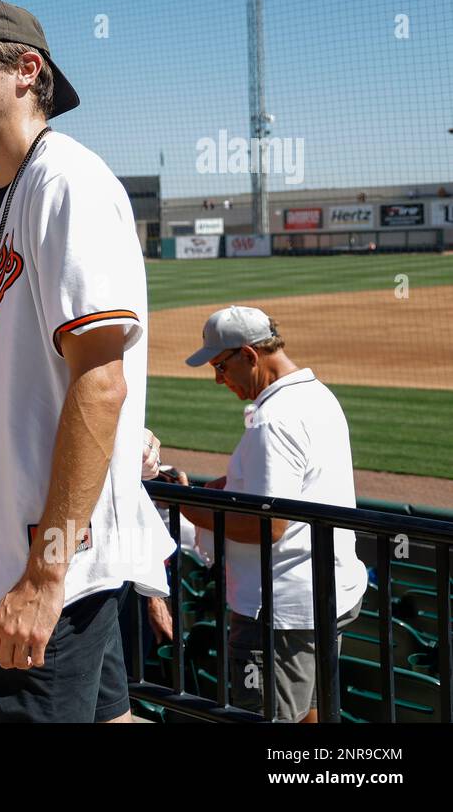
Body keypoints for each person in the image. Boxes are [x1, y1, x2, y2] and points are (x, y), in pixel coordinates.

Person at [0, 1, 174, 722]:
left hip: (58, 565)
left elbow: (101, 383)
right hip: (41, 556)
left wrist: (45, 573)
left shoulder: (66, 183)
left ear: (28, 70)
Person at [180, 306, 367, 722]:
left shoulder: (273, 419)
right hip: (324, 594)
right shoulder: (317, 395)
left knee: (266, 718)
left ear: (249, 354)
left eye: (220, 366)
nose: (218, 379)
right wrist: (231, 490)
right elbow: (297, 489)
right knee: (312, 711)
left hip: (278, 609)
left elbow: (270, 525)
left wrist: (192, 507)